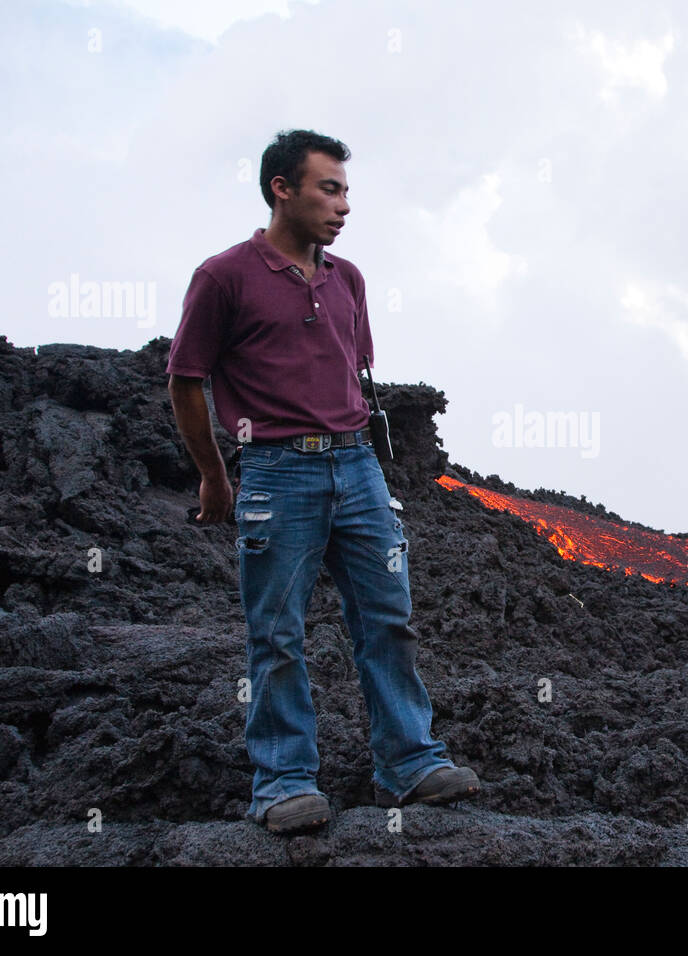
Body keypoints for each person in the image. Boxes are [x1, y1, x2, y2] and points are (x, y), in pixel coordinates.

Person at [165, 129, 479, 834]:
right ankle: (282, 782)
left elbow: (350, 368)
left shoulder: (349, 280)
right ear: (283, 188)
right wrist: (214, 477)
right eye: (328, 189)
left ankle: (412, 762)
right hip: (277, 471)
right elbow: (185, 380)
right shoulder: (224, 277)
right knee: (275, 633)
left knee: (388, 620)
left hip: (357, 464)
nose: (343, 205)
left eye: (345, 190)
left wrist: (371, 459)